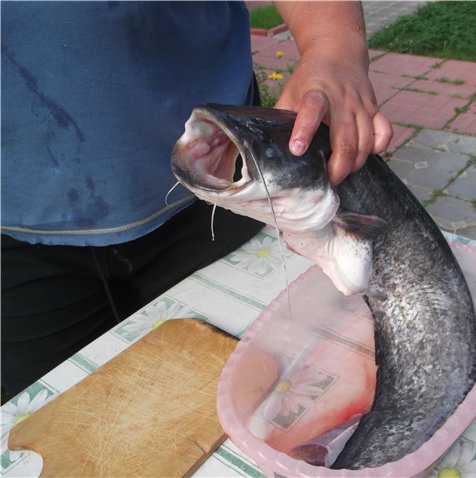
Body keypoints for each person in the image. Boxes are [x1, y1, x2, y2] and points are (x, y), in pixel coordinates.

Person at [0, 1, 392, 397]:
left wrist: (333, 47)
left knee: (277, 388)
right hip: (16, 243)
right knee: (71, 421)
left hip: (229, 189)